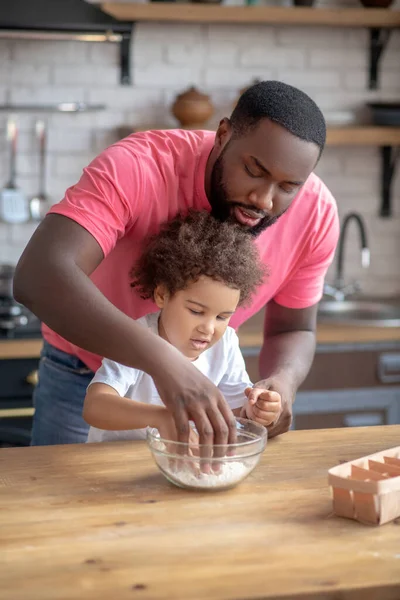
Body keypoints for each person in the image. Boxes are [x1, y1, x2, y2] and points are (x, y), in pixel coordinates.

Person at [13, 80, 339, 447]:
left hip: (201, 386)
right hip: (83, 374)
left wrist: (283, 384)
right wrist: (165, 361)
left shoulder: (317, 215)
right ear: (223, 135)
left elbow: (292, 330)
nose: (263, 200)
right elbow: (39, 276)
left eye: (288, 187)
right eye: (253, 170)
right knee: (68, 501)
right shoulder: (139, 166)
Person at [83, 211, 280, 444]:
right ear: (162, 295)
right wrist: (162, 417)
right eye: (196, 311)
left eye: (222, 316)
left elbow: (236, 411)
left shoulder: (225, 344)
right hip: (116, 464)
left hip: (177, 464)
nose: (208, 328)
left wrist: (258, 410)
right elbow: (94, 407)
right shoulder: (137, 339)